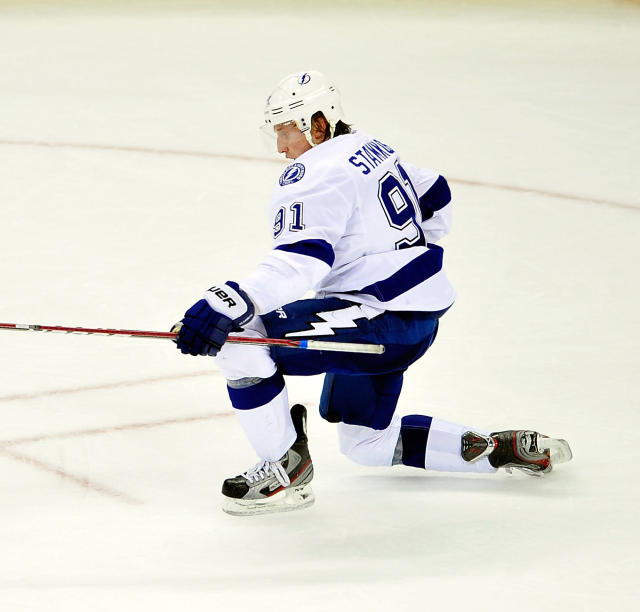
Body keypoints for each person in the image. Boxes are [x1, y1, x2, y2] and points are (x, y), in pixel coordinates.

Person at [172, 70, 572, 516]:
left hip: (377, 318)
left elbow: (303, 259)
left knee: (239, 339)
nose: (281, 147)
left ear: (317, 124)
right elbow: (436, 194)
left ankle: (285, 469)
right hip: (413, 317)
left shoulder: (314, 172)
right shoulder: (371, 147)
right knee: (365, 442)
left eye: (286, 131)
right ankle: (498, 449)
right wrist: (409, 260)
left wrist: (228, 301)